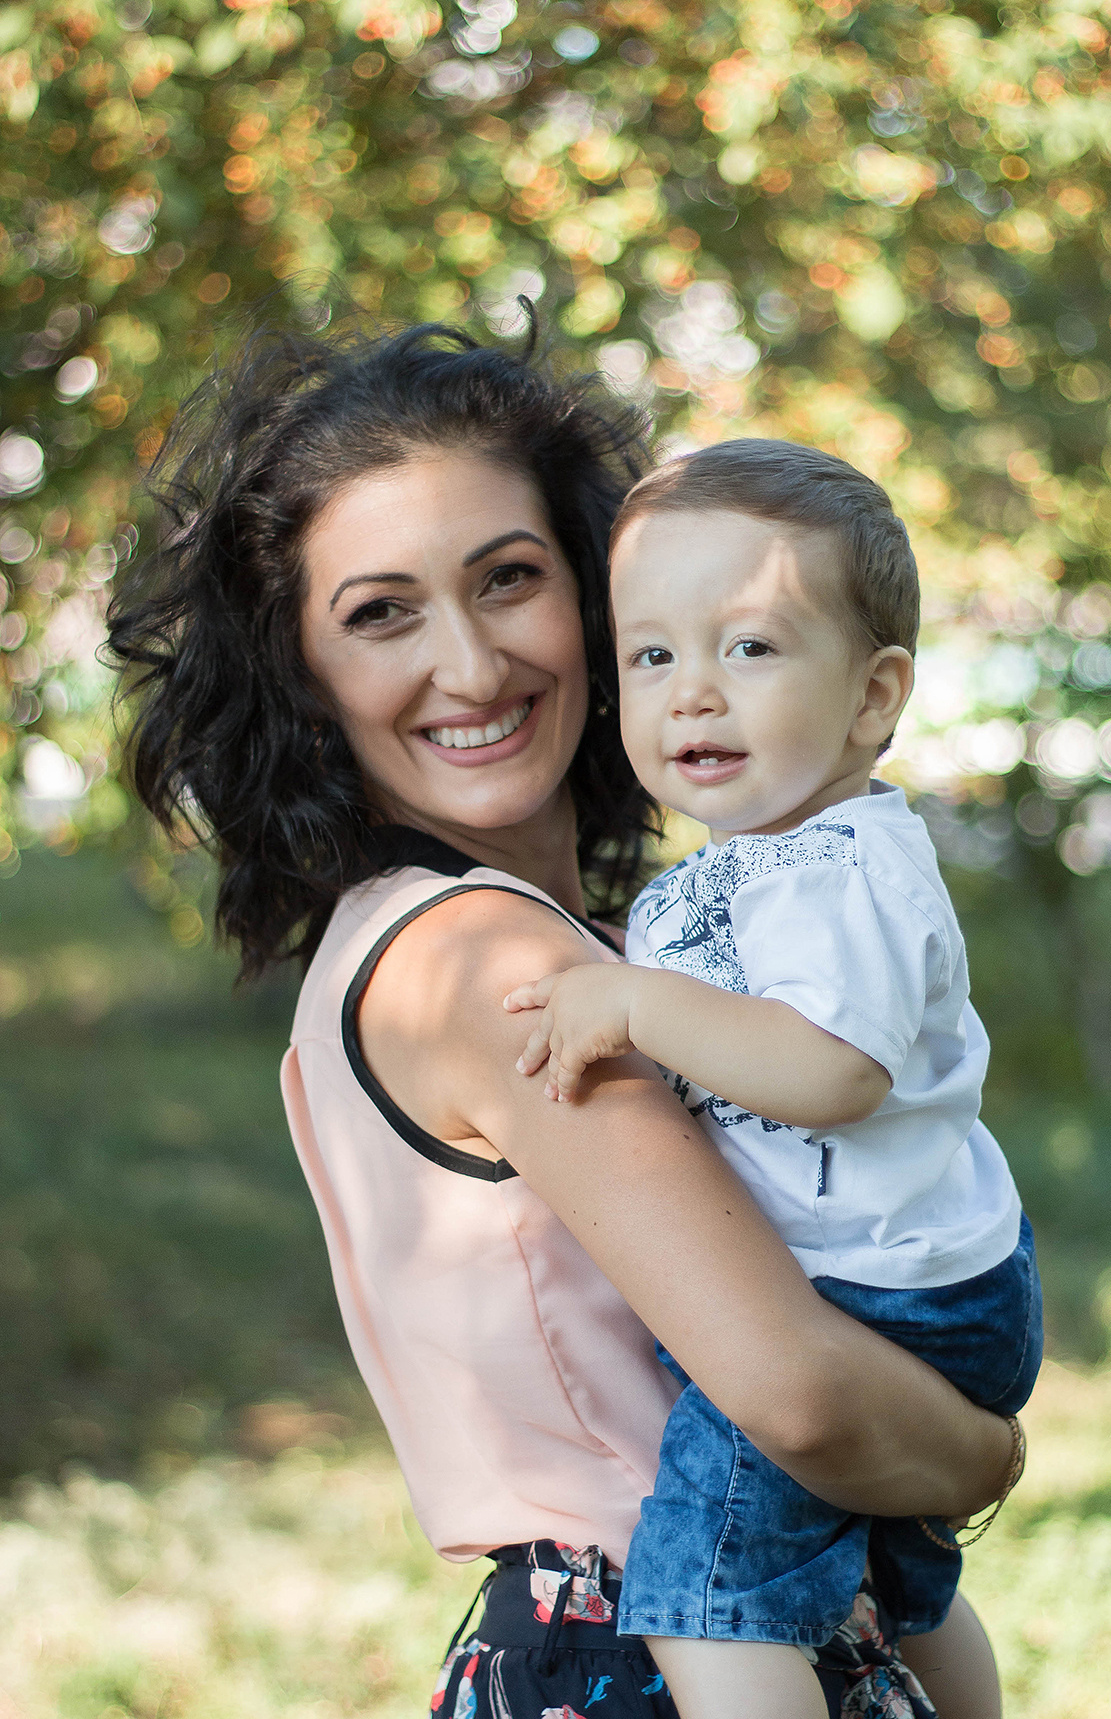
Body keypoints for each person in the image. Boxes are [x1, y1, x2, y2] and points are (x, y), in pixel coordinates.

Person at [108, 317, 1022, 1719]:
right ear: (303, 674)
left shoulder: (594, 946)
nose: (470, 668)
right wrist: (980, 1461)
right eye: (381, 613)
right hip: (643, 1664)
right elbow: (805, 1400)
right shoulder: (483, 964)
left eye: (509, 580)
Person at [506, 438, 1041, 1719]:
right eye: (652, 655)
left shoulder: (835, 871)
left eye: (747, 648)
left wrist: (638, 1006)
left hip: (878, 1295)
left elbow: (831, 1070)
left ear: (871, 699)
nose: (693, 695)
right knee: (900, 1583)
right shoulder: (760, 862)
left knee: (705, 1600)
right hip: (904, 1275)